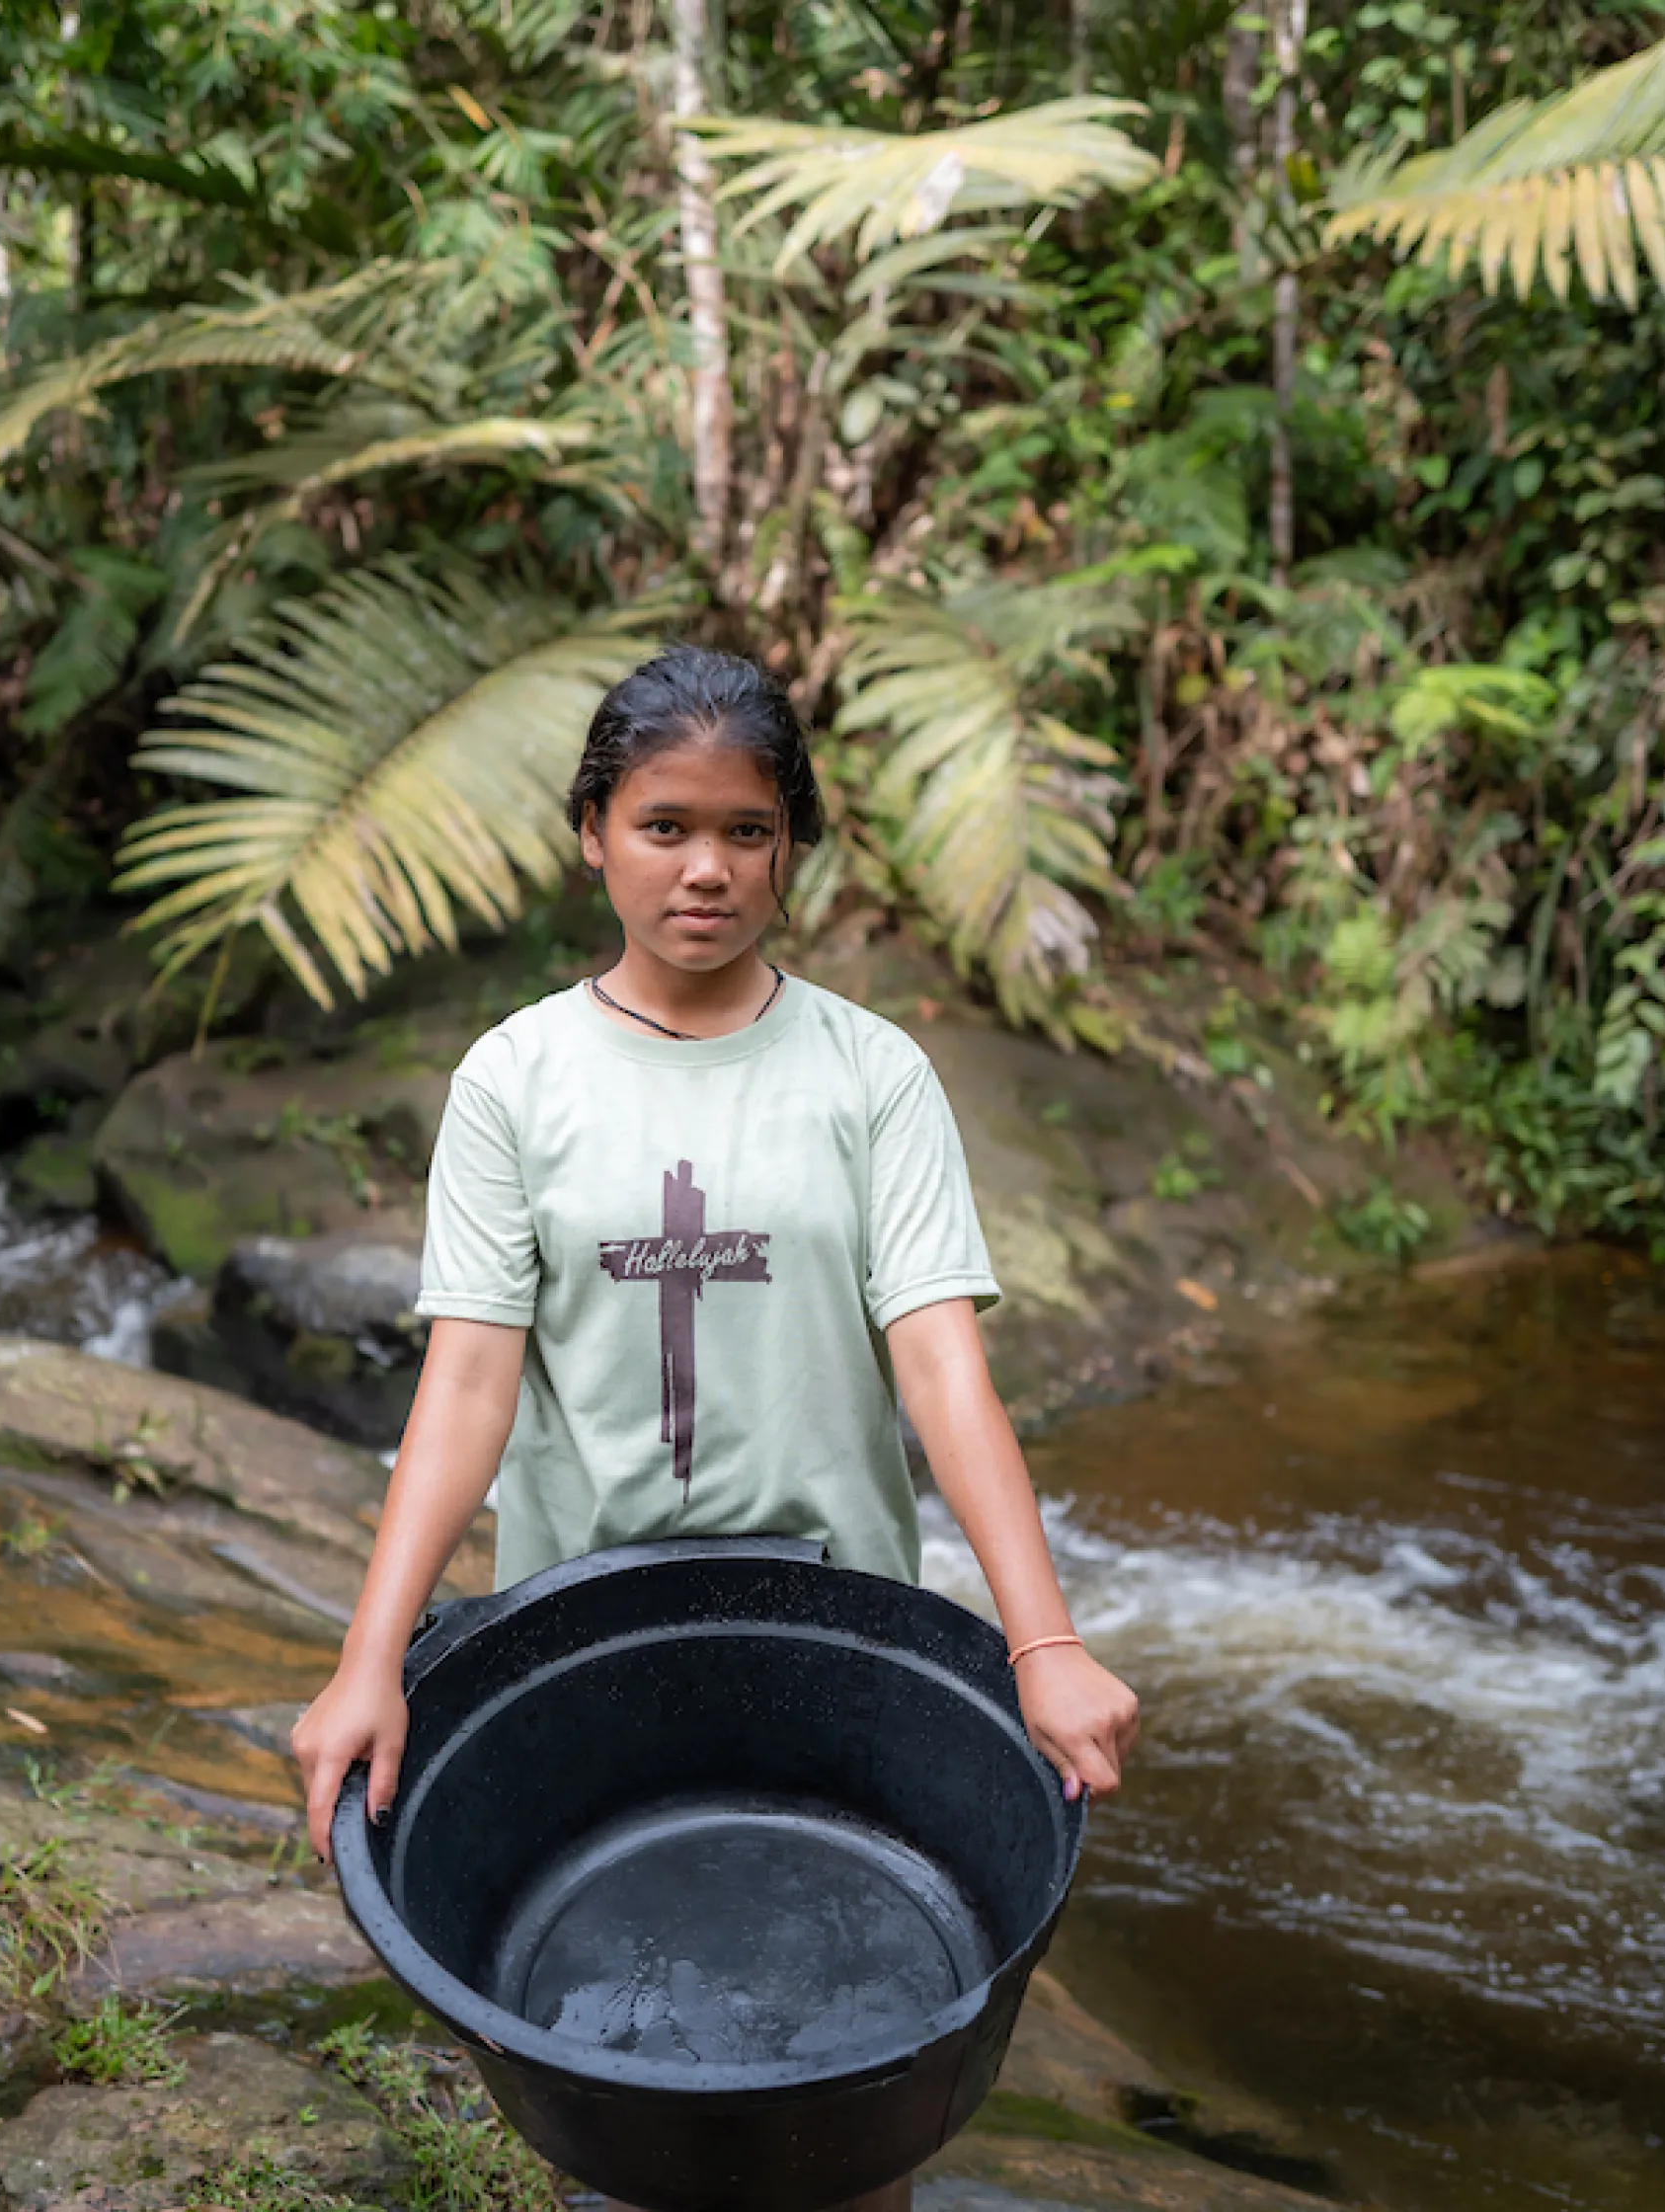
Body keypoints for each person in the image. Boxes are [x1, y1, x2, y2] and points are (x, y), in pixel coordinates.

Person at [288, 642, 1143, 2210]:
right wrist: (369, 1666)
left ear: (790, 845)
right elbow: (470, 1383)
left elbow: (942, 1366)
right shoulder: (516, 1083)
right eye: (665, 825)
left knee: (850, 2090)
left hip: (832, 1631)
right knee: (617, 2084)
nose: (707, 870)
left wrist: (1042, 1643)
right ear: (594, 833)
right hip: (583, 1638)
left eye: (748, 830)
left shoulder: (868, 1077)